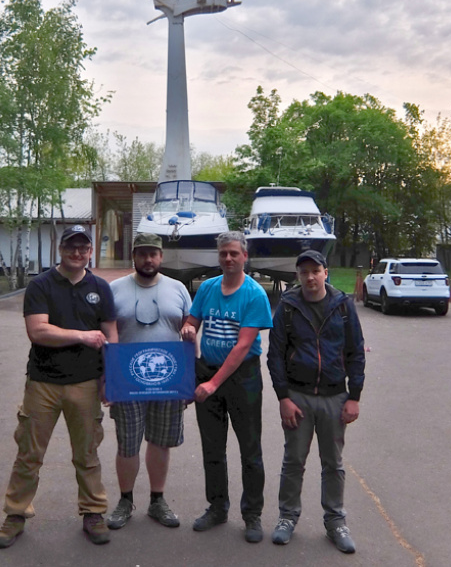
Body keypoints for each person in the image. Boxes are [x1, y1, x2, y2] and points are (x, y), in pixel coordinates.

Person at [0, 224, 117, 549]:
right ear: (61, 249)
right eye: (71, 246)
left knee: (87, 454)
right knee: (29, 454)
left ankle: (93, 512)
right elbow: (38, 331)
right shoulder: (41, 285)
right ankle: (15, 514)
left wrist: (111, 379)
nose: (77, 252)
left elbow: (111, 334)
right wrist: (81, 335)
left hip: (87, 384)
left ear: (90, 251)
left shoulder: (101, 288)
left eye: (83, 247)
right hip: (43, 384)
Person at [266, 250, 365, 553]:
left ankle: (335, 520)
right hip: (298, 396)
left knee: (333, 463)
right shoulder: (288, 306)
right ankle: (287, 517)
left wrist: (354, 397)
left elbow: (355, 352)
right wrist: (283, 397)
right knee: (294, 460)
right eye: (303, 272)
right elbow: (275, 355)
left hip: (335, 396)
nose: (310, 277)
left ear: (325, 272)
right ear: (297, 276)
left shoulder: (343, 306)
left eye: (315, 271)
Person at [180, 231, 272, 544]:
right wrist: (188, 329)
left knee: (250, 449)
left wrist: (211, 384)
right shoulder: (206, 288)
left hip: (242, 378)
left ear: (245, 256)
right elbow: (193, 319)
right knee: (213, 448)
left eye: (234, 253)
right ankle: (217, 507)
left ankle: (252, 515)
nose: (228, 259)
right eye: (223, 254)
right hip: (207, 370)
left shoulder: (255, 294)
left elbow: (242, 347)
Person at [105, 233, 192, 531]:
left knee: (160, 442)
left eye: (153, 253)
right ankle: (125, 500)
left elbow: (189, 329)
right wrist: (107, 379)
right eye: (142, 253)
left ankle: (157, 500)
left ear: (161, 256)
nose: (148, 259)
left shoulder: (178, 289)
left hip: (168, 379)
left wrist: (189, 379)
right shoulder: (114, 289)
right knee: (127, 445)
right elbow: (106, 335)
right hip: (127, 381)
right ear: (133, 256)